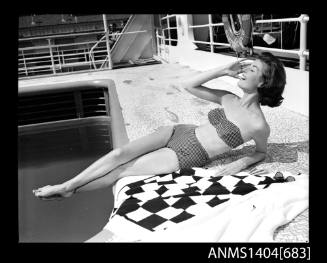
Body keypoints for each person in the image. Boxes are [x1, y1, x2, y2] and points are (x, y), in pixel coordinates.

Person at [33, 52, 286, 201]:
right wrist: (222, 70)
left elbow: (261, 152)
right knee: (119, 154)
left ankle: (68, 190)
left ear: (263, 83)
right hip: (179, 131)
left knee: (121, 172)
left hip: (190, 154)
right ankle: (69, 182)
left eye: (251, 69)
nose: (243, 71)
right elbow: (188, 85)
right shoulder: (227, 97)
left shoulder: (258, 124)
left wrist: (240, 163)